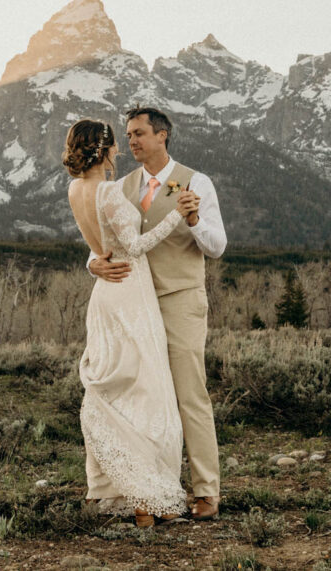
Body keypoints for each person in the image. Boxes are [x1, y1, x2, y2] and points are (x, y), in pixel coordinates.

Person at [88, 105, 227, 521]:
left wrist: (195, 219)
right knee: (138, 397)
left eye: (138, 134)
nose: (131, 141)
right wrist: (91, 264)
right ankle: (150, 491)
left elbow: (217, 246)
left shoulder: (197, 181)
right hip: (134, 306)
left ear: (162, 136)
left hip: (181, 298)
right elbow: (101, 240)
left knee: (189, 393)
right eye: (128, 135)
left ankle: (206, 490)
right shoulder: (121, 185)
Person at [64, 118, 200, 527]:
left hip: (106, 295)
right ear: (104, 150)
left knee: (114, 389)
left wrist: (94, 262)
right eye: (116, 144)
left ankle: (111, 489)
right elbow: (135, 246)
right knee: (145, 390)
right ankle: (145, 497)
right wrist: (177, 215)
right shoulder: (106, 191)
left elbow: (100, 246)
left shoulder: (74, 189)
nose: (121, 149)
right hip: (131, 292)